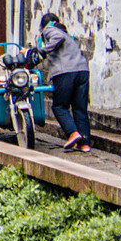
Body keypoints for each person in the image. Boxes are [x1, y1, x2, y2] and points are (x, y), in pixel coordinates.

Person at [36, 12, 91, 152]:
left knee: (59, 106)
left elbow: (56, 38)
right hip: (82, 71)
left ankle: (72, 133)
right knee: (79, 108)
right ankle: (84, 144)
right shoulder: (69, 35)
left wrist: (42, 50)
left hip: (65, 73)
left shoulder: (50, 30)